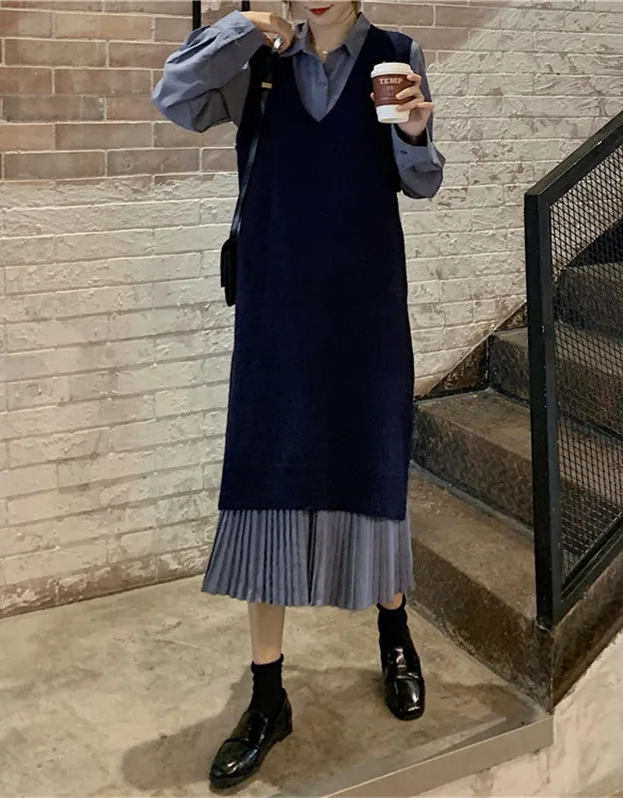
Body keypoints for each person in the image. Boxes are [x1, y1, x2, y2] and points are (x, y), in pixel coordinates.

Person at [153, 0, 445, 789]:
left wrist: (415, 132)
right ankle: (268, 696)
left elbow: (420, 182)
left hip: (365, 308)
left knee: (373, 469)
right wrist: (245, 26)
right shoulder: (258, 64)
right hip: (276, 308)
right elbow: (175, 99)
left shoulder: (396, 53)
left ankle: (394, 636)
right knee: (265, 478)